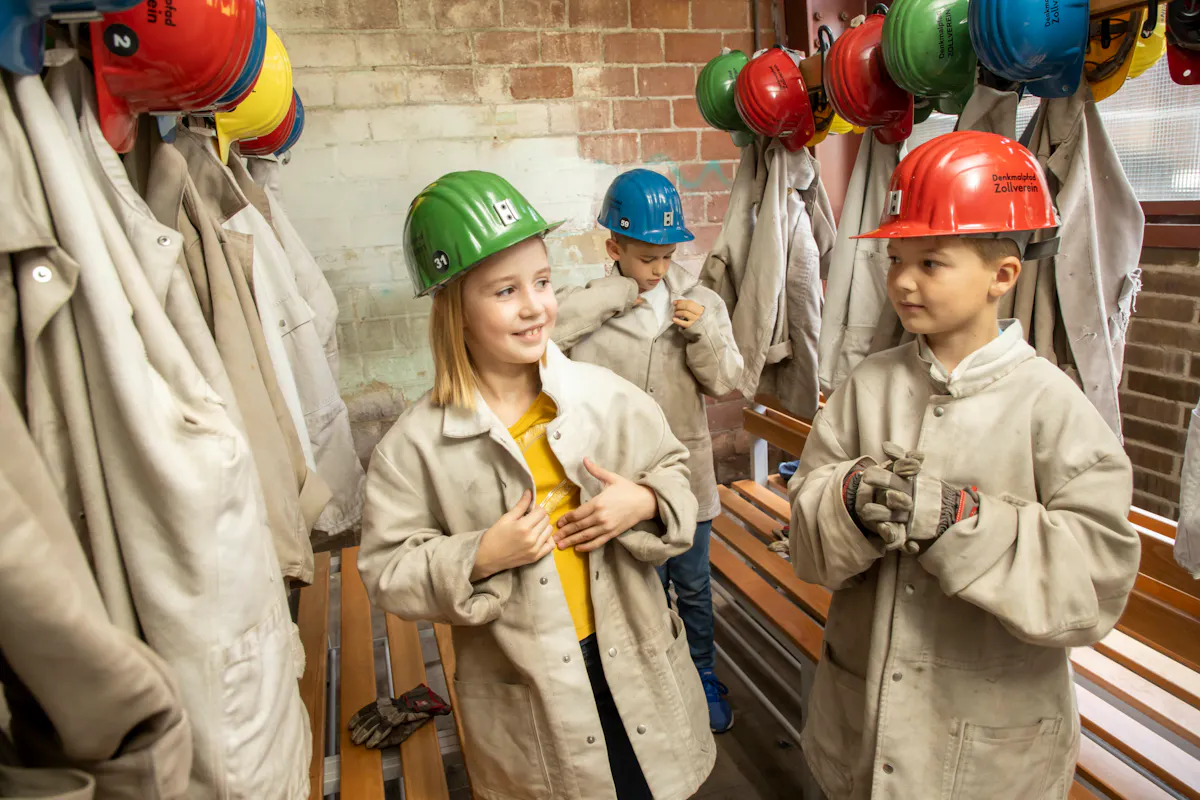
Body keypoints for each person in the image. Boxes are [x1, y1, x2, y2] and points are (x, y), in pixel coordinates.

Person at [786, 132, 1141, 800]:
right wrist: (848, 498)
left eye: (931, 262)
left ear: (1002, 276)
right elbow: (805, 532)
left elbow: (1096, 582)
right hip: (863, 717)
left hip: (988, 745)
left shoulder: (1050, 404)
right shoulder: (869, 385)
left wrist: (959, 522)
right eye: (895, 259)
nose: (902, 281)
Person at [357, 171, 716, 800]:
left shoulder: (606, 400)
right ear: (454, 308)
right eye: (505, 291)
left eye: (543, 282)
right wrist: (479, 555)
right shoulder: (413, 448)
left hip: (630, 653)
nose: (536, 306)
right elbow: (388, 568)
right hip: (528, 685)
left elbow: (674, 473)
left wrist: (646, 501)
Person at [552, 169, 744, 734]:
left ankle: (702, 673)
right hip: (614, 483)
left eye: (667, 256)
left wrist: (703, 335)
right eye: (645, 259)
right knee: (636, 588)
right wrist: (614, 295)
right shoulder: (587, 306)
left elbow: (726, 380)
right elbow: (546, 342)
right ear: (613, 247)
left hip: (688, 479)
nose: (659, 271)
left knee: (692, 584)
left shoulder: (701, 301)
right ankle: (652, 684)